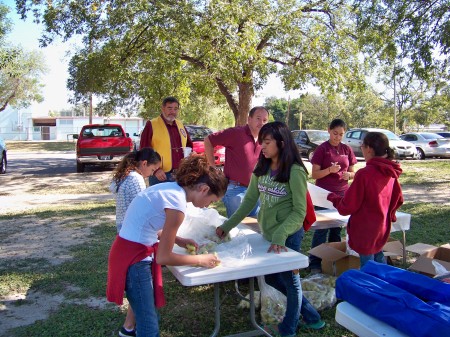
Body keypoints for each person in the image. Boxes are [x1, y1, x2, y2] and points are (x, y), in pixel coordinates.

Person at [216, 121, 324, 337]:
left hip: (289, 234)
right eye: (261, 142)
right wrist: (226, 226)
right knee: (274, 278)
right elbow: (248, 202)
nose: (262, 147)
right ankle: (311, 315)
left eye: (266, 142)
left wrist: (281, 235)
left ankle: (289, 328)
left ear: (281, 144)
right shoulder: (262, 167)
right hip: (269, 234)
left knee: (291, 281)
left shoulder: (295, 172)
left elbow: (299, 211)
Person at [107, 155, 228, 337]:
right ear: (203, 189)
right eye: (211, 201)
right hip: (134, 259)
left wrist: (179, 240)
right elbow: (164, 257)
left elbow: (148, 225)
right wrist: (200, 259)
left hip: (127, 252)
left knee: (143, 307)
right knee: (149, 325)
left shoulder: (169, 189)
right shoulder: (177, 205)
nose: (208, 205)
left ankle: (127, 330)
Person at [327, 131, 403, 268]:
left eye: (362, 145)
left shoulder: (364, 174)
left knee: (368, 270)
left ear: (368, 149)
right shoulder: (390, 171)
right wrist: (389, 214)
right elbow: (398, 199)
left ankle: (374, 288)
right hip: (381, 226)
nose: (361, 148)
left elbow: (347, 206)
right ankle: (385, 285)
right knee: (379, 258)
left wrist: (333, 198)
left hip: (365, 229)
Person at [109, 148, 161, 337]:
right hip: (135, 241)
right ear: (145, 164)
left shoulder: (127, 176)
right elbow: (144, 210)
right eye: (153, 169)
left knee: (140, 290)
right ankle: (131, 327)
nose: (153, 174)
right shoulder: (136, 180)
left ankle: (128, 327)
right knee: (141, 287)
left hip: (126, 234)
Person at [308, 118, 357, 274]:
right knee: (321, 229)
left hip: (342, 195)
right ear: (328, 130)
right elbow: (314, 173)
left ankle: (333, 260)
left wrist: (348, 175)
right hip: (323, 195)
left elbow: (354, 172)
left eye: (341, 134)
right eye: (335, 133)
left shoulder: (347, 149)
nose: (337, 137)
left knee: (336, 229)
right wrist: (329, 170)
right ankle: (315, 262)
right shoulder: (322, 149)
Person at [204, 106, 269, 218]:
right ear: (249, 119)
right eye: (258, 118)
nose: (261, 123)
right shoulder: (236, 133)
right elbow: (208, 140)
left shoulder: (264, 139)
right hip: (235, 190)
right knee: (237, 228)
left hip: (255, 190)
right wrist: (213, 167)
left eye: (265, 120)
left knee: (254, 228)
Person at [139, 96, 194, 185]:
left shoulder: (180, 125)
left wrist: (191, 155)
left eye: (175, 109)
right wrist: (156, 170)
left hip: (181, 174)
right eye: (169, 108)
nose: (173, 112)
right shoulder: (152, 124)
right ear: (163, 108)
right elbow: (144, 150)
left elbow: (189, 145)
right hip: (160, 175)